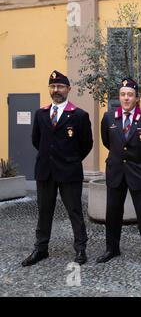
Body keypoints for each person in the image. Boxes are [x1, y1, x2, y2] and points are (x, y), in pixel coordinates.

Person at [22, 70, 93, 267]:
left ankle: (80, 248)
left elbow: (86, 144)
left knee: (74, 211)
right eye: (53, 86)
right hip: (45, 171)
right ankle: (41, 248)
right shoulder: (41, 114)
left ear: (68, 89)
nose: (56, 90)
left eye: (60, 86)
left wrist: (70, 159)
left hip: (69, 172)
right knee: (44, 211)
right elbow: (37, 140)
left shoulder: (79, 115)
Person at [96, 77, 141, 264]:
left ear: (136, 97)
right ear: (119, 97)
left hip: (139, 172)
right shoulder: (109, 117)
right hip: (116, 172)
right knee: (112, 212)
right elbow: (107, 141)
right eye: (123, 94)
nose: (126, 98)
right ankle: (112, 248)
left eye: (130, 95)